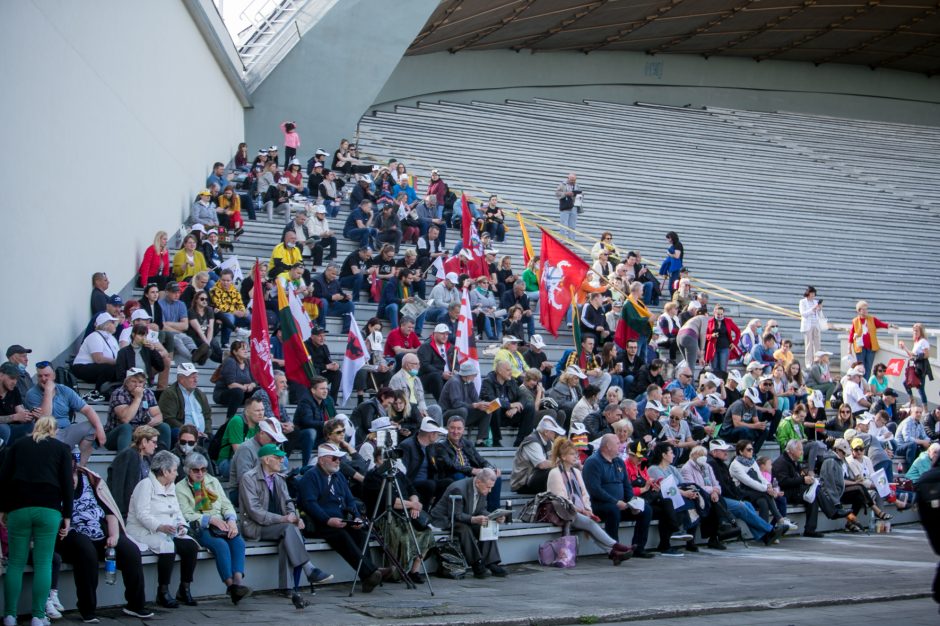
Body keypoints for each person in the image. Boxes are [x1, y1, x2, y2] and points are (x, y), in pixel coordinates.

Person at [59, 446, 153, 622]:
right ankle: (87, 609)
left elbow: (109, 510)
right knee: (86, 551)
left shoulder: (89, 478)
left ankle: (136, 604)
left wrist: (115, 535)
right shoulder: (54, 482)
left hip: (99, 530)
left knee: (130, 551)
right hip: (70, 534)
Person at [0, 418, 73, 626]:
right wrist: (67, 515)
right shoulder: (61, 449)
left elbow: (3, 479)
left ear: (35, 427)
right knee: (43, 564)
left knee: (15, 563)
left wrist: (2, 509)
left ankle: (10, 615)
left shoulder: (18, 445)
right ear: (55, 430)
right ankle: (38, 616)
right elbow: (68, 484)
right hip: (49, 509)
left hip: (18, 508)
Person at [239, 445, 329, 608]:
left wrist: (294, 518)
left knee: (289, 532)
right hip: (255, 527)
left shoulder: (279, 477)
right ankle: (308, 568)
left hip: (278, 527)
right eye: (278, 457)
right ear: (267, 460)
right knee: (288, 529)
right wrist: (284, 519)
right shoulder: (248, 478)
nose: (282, 460)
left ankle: (287, 587)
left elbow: (288, 503)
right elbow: (255, 512)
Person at [296, 443, 390, 592]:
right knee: (341, 535)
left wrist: (357, 517)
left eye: (339, 458)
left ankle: (368, 576)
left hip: (341, 519)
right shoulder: (311, 477)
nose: (338, 461)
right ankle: (371, 572)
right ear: (322, 460)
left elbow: (350, 499)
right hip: (319, 522)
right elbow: (310, 504)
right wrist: (327, 520)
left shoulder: (338, 475)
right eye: (334, 458)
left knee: (359, 532)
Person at [125, 451, 199, 609]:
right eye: (174, 470)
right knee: (167, 545)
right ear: (165, 472)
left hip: (168, 530)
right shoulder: (145, 485)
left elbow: (177, 511)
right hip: (144, 530)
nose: (177, 473)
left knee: (191, 546)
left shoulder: (170, 486)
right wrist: (160, 526)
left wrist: (181, 525)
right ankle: (162, 591)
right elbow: (142, 514)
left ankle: (184, 589)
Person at [176, 452, 251, 604]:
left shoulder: (213, 481)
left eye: (203, 469)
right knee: (220, 545)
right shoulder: (180, 487)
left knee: (238, 542)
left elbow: (226, 504)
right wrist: (209, 519)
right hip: (199, 527)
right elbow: (186, 514)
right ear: (187, 470)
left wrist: (230, 520)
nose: (200, 473)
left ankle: (237, 584)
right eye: (195, 470)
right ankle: (231, 587)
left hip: (221, 524)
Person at [547, 437, 633, 563]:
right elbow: (563, 500)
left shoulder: (576, 471)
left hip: (577, 510)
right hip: (562, 511)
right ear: (563, 457)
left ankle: (613, 553)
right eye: (572, 454)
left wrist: (587, 509)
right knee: (590, 523)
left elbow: (584, 494)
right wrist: (583, 511)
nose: (576, 456)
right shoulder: (555, 473)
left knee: (589, 521)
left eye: (576, 453)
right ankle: (615, 545)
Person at [582, 434, 656, 558]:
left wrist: (632, 502)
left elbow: (626, 485)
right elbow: (595, 490)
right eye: (617, 443)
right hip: (599, 504)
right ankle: (615, 550)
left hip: (620, 503)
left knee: (646, 509)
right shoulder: (593, 462)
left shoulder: (619, 461)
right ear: (607, 446)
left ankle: (638, 548)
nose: (620, 446)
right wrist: (615, 502)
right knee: (613, 510)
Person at [706, 440, 787, 546]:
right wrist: (737, 498)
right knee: (742, 506)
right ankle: (770, 530)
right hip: (718, 499)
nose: (726, 452)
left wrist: (767, 486)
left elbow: (730, 484)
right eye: (723, 450)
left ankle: (764, 536)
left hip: (726, 496)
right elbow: (723, 487)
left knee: (748, 504)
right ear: (714, 452)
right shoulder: (712, 464)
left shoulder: (721, 464)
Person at [430, 471, 508, 578]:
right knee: (464, 529)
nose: (490, 491)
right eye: (488, 487)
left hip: (464, 516)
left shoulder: (482, 488)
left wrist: (493, 517)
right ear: (478, 482)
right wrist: (474, 519)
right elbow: (455, 515)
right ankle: (476, 563)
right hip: (444, 518)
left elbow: (481, 509)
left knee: (486, 525)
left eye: (491, 488)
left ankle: (491, 562)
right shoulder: (458, 489)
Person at [24, 362, 105, 466]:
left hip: (67, 430)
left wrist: (100, 429)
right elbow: (45, 417)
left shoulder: (64, 390)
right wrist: (48, 391)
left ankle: (79, 468)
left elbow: (87, 410)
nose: (43, 379)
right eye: (40, 376)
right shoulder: (32, 394)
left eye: (46, 375)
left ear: (54, 376)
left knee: (92, 426)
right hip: (47, 434)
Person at [106, 368, 171, 451]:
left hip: (141, 433)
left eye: (140, 382)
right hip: (117, 435)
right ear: (126, 382)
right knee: (126, 427)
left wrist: (152, 421)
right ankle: (125, 460)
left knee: (164, 427)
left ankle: (162, 460)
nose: (137, 385)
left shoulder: (148, 393)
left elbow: (158, 416)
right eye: (134, 381)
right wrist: (138, 398)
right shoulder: (118, 393)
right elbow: (125, 419)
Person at [729, 440, 787, 529]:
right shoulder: (735, 465)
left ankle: (766, 532)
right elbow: (748, 481)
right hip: (741, 492)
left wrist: (768, 485)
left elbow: (761, 477)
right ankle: (779, 518)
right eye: (748, 449)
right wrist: (767, 489)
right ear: (740, 451)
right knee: (766, 494)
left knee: (763, 502)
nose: (751, 451)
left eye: (752, 449)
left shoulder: (752, 461)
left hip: (754, 492)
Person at [679, 445, 727, 549]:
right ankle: (715, 533)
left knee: (719, 500)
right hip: (696, 494)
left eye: (704, 455)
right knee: (709, 504)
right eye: (700, 455)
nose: (703, 457)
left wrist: (716, 491)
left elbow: (716, 482)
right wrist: (712, 490)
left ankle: (715, 536)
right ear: (693, 455)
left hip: (709, 494)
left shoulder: (707, 466)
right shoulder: (687, 468)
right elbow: (692, 485)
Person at [772, 439, 823, 537]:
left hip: (795, 490)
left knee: (813, 494)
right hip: (786, 493)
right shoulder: (781, 462)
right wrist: (803, 480)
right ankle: (832, 512)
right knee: (814, 492)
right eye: (800, 450)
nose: (802, 452)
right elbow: (783, 482)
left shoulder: (794, 461)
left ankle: (810, 529)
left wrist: (808, 480)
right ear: (791, 451)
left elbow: (800, 476)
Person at [480, 360, 535, 447]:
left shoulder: (511, 381)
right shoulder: (488, 382)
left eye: (511, 370)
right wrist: (510, 405)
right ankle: (496, 441)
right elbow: (491, 400)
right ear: (499, 371)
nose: (511, 372)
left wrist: (515, 408)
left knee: (530, 407)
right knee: (495, 406)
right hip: (494, 417)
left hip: (509, 415)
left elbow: (523, 396)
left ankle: (521, 442)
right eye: (508, 370)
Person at [399, 417, 452, 508]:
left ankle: (434, 512)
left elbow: (435, 468)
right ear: (431, 434)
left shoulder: (431, 446)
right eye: (437, 434)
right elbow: (403, 472)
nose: (438, 436)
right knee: (430, 485)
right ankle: (424, 511)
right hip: (412, 483)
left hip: (428, 482)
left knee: (448, 482)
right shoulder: (407, 445)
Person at [439, 361, 492, 446]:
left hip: (464, 413)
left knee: (486, 410)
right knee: (462, 410)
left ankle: (480, 440)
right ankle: (459, 439)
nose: (475, 377)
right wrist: (474, 405)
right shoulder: (454, 382)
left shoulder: (469, 382)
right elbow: (456, 404)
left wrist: (483, 404)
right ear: (467, 374)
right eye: (474, 374)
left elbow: (476, 399)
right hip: (447, 414)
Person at [818, 438, 866, 532]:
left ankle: (850, 523)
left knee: (859, 495)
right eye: (843, 452)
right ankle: (852, 520)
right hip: (832, 495)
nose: (845, 455)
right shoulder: (830, 461)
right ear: (836, 450)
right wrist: (836, 502)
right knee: (859, 490)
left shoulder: (839, 461)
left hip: (839, 492)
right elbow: (829, 484)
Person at [511, 415, 566, 494]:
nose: (556, 434)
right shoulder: (532, 441)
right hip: (522, 483)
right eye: (554, 432)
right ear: (546, 432)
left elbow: (555, 458)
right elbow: (542, 464)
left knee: (564, 470)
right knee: (555, 472)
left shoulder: (548, 441)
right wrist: (562, 463)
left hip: (534, 477)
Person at [160, 362, 213, 441]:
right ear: (181, 379)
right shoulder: (170, 394)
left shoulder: (200, 394)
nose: (196, 380)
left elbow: (207, 416)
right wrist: (190, 432)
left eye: (196, 377)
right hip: (183, 433)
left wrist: (207, 432)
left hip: (203, 434)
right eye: (192, 377)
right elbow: (169, 419)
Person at [71, 312, 121, 396]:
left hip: (98, 368)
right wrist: (118, 362)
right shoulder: (94, 336)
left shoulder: (112, 338)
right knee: (108, 369)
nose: (115, 324)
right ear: (106, 324)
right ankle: (98, 392)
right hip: (82, 367)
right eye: (112, 322)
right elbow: (98, 359)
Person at [216, 396, 266, 478]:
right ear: (247, 412)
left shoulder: (260, 423)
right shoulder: (237, 421)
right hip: (228, 462)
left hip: (252, 461)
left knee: (281, 460)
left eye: (262, 410)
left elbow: (269, 447)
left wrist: (267, 427)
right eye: (257, 410)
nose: (261, 414)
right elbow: (239, 452)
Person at [390, 353, 444, 423]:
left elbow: (421, 399)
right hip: (406, 411)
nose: (418, 366)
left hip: (418, 409)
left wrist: (423, 409)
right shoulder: (396, 379)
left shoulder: (416, 379)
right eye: (416, 364)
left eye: (419, 364)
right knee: (418, 412)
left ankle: (436, 432)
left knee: (436, 409)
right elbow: (398, 402)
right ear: (407, 365)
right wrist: (417, 409)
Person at [848, 300, 896, 378]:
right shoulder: (855, 321)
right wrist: (849, 348)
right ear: (859, 311)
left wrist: (890, 325)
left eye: (866, 309)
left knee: (868, 367)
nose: (866, 311)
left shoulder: (872, 319)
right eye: (863, 309)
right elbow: (851, 335)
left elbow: (881, 324)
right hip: (860, 348)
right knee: (860, 368)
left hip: (871, 347)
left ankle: (866, 385)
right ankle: (861, 385)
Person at [214, 340, 257, 419]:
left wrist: (251, 385)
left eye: (246, 348)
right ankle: (229, 419)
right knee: (238, 392)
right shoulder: (230, 362)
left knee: (259, 390)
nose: (246, 351)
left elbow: (255, 381)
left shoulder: (247, 362)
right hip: (224, 394)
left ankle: (254, 417)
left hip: (242, 393)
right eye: (242, 349)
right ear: (235, 352)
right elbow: (231, 384)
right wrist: (244, 387)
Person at [211, 269, 251, 348]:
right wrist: (234, 312)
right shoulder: (214, 290)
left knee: (250, 317)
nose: (225, 282)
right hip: (221, 315)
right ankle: (225, 342)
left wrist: (243, 311)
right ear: (220, 279)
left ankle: (251, 342)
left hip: (234, 315)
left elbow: (240, 303)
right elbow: (220, 306)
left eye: (228, 280)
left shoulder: (234, 290)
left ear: (232, 280)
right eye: (223, 280)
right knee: (230, 316)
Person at [417, 323, 455, 399]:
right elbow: (425, 366)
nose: (445, 336)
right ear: (434, 334)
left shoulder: (451, 347)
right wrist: (442, 374)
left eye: (447, 334)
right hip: (429, 378)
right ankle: (442, 405)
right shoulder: (426, 346)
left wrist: (455, 371)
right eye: (442, 334)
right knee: (437, 376)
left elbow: (456, 363)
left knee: (463, 376)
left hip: (447, 376)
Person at [899, 323, 934, 406]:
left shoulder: (923, 341)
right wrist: (904, 347)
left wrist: (916, 357)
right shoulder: (916, 342)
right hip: (915, 366)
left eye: (916, 331)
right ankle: (912, 400)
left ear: (921, 332)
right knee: (906, 383)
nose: (915, 332)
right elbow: (912, 355)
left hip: (921, 368)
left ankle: (924, 408)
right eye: (914, 330)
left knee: (920, 388)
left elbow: (926, 354)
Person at [703, 305, 740, 377]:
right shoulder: (709, 321)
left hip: (725, 347)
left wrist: (734, 343)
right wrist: (711, 336)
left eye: (721, 314)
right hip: (713, 348)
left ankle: (722, 384)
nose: (719, 316)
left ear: (723, 314)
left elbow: (738, 332)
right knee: (714, 368)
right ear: (714, 313)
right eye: (718, 314)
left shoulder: (728, 321)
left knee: (723, 368)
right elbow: (704, 334)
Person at [896, 405, 932, 470]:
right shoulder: (907, 422)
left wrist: (929, 443)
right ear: (911, 413)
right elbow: (907, 439)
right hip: (900, 447)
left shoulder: (919, 424)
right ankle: (910, 469)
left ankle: (927, 469)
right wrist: (922, 442)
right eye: (916, 412)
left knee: (931, 445)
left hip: (912, 447)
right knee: (912, 444)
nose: (919, 414)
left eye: (920, 412)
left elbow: (925, 437)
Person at [798, 286, 824, 368]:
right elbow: (803, 314)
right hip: (808, 325)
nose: (813, 295)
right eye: (811, 293)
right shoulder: (803, 302)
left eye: (814, 293)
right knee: (809, 344)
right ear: (808, 293)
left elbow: (820, 314)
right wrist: (813, 309)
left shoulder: (815, 302)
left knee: (817, 344)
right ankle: (808, 362)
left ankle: (817, 360)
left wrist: (819, 309)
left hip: (816, 324)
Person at [555, 172, 581, 238]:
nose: (572, 181)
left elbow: (581, 194)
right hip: (565, 207)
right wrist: (566, 194)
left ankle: (571, 240)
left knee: (572, 225)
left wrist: (578, 195)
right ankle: (562, 239)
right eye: (571, 180)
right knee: (563, 224)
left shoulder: (577, 186)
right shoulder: (562, 185)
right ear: (568, 178)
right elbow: (557, 193)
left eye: (574, 180)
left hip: (574, 207)